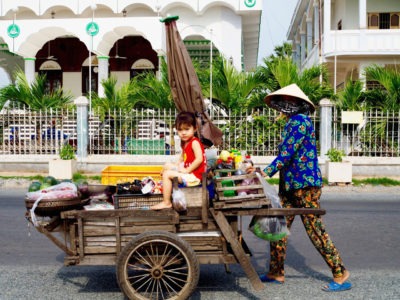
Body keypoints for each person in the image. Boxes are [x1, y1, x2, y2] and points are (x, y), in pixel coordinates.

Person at [248, 84, 351, 292]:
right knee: (276, 225)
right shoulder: (292, 122)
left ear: (297, 104)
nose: (284, 106)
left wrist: (264, 172)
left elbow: (286, 155)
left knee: (315, 230)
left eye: (289, 101)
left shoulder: (300, 122)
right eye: (283, 101)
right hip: (289, 185)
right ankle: (276, 272)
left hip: (305, 186)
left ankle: (340, 273)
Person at [151, 111, 206, 210]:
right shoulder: (185, 142)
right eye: (180, 130)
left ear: (195, 128)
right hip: (188, 172)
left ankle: (167, 202)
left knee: (167, 174)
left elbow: (199, 159)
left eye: (187, 129)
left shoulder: (194, 142)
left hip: (194, 176)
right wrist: (175, 166)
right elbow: (182, 157)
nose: (183, 133)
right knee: (167, 166)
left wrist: (187, 170)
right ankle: (164, 186)